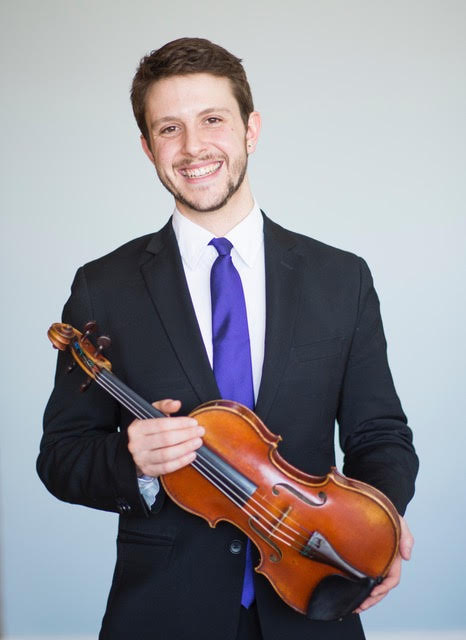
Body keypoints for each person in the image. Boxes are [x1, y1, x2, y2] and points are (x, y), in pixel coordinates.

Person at [38, 38, 418, 640]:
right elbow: (61, 457)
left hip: (314, 598)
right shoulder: (102, 287)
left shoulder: (341, 277)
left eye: (212, 119)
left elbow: (381, 436)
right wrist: (132, 460)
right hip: (162, 614)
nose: (193, 148)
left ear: (250, 129)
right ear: (147, 147)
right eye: (169, 129)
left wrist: (377, 526)